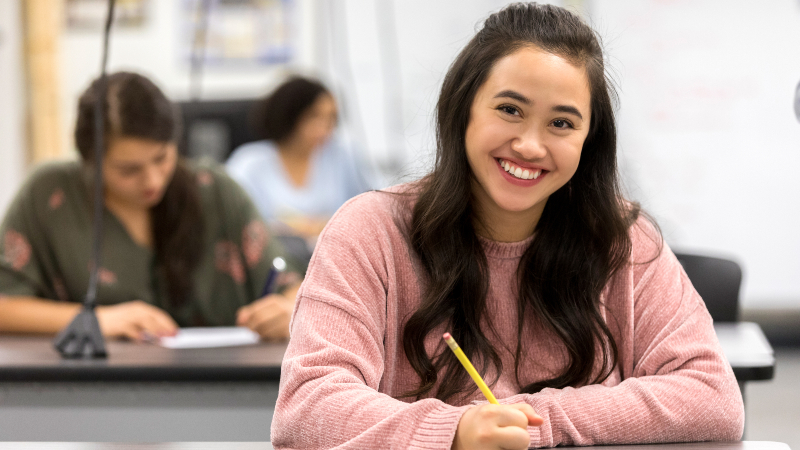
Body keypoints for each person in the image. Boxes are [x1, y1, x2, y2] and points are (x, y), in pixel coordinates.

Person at [271, 4, 743, 449]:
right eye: (510, 110)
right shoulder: (370, 230)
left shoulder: (623, 239)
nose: (531, 145)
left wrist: (539, 419)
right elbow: (306, 407)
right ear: (464, 109)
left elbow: (712, 395)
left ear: (587, 141)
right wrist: (454, 431)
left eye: (561, 123)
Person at [0, 72, 301, 342]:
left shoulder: (217, 192)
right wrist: (96, 320)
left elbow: (291, 287)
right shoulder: (50, 195)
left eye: (162, 158)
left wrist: (289, 310)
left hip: (225, 384)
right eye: (128, 170)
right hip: (96, 390)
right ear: (90, 161)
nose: (152, 180)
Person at [225, 76, 375, 241]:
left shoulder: (345, 156)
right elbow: (235, 222)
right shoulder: (249, 163)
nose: (325, 128)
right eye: (314, 117)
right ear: (291, 116)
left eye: (331, 118)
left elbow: (372, 209)